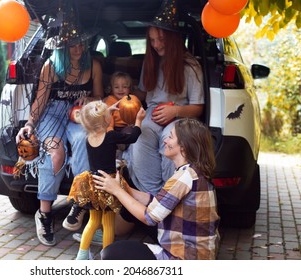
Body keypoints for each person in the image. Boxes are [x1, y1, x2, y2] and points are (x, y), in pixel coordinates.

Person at [15, 9, 103, 246]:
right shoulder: (51, 67)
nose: (78, 49)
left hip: (79, 114)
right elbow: (40, 101)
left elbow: (99, 96)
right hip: (52, 113)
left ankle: (79, 204)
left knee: (86, 141)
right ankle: (44, 213)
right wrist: (30, 124)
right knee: (54, 152)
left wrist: (91, 101)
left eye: (81, 43)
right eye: (73, 45)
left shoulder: (93, 64)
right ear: (63, 46)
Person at [123, 0, 204, 224]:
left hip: (180, 117)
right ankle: (154, 201)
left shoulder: (190, 66)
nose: (157, 44)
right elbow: (143, 94)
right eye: (152, 40)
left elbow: (198, 108)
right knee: (139, 139)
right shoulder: (151, 62)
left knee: (172, 142)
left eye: (161, 39)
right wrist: (121, 95)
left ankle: (171, 202)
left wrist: (176, 110)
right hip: (151, 115)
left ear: (174, 38)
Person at [93, 118, 220, 260]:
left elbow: (149, 217)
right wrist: (126, 189)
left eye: (170, 137)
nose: (165, 141)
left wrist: (117, 190)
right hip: (196, 255)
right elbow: (159, 203)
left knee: (111, 253)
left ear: (183, 146)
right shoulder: (192, 172)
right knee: (130, 212)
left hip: (183, 258)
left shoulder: (184, 177)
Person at [67, 100, 145, 260]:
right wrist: (138, 120)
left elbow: (95, 121)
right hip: (108, 184)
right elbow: (132, 137)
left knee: (93, 221)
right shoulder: (110, 136)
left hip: (93, 183)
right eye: (109, 115)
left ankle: (81, 256)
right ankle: (106, 257)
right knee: (108, 223)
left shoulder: (89, 137)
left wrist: (105, 111)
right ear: (105, 120)